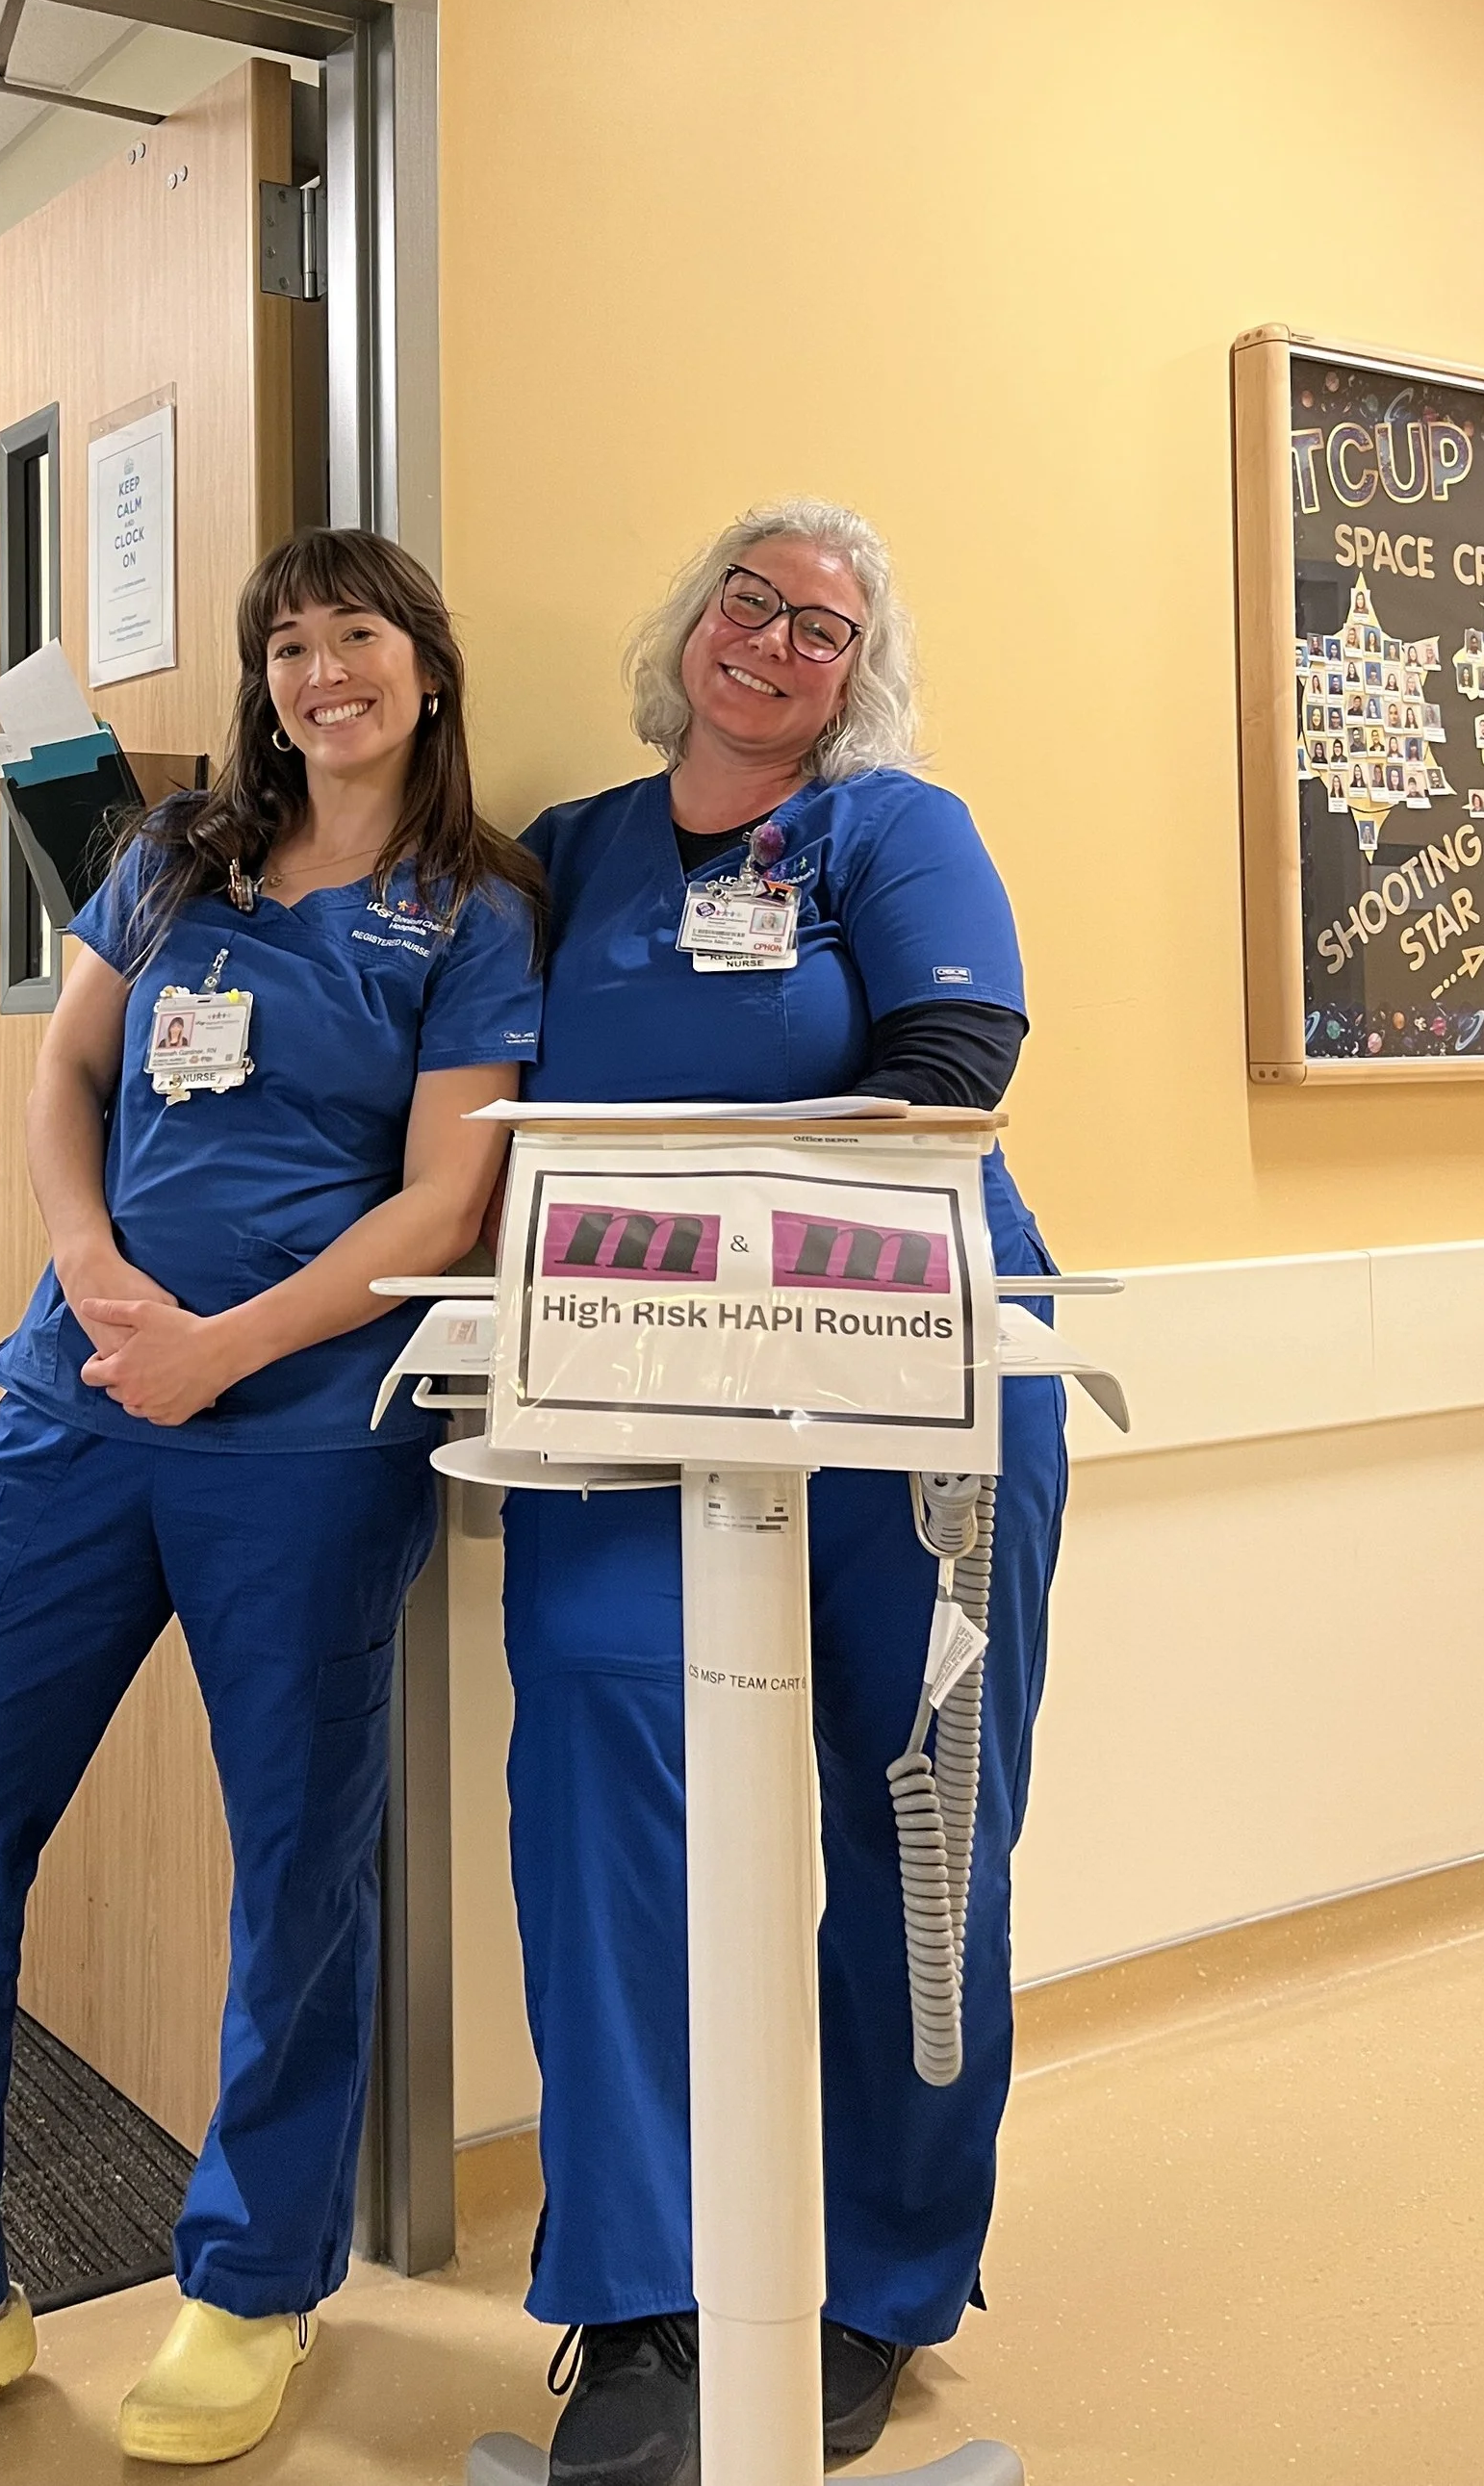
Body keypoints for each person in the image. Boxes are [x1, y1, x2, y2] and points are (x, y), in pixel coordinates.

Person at [0, 529, 543, 2476]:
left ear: (426, 665)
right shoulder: (170, 851)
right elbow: (63, 1079)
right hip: (77, 1409)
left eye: (356, 637)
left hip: (307, 1434)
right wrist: (88, 1276)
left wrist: (224, 1344)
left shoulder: (472, 905)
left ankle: (250, 2286)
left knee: (295, 1872)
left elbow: (447, 1201)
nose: (319, 671)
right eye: (288, 643)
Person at [505, 500, 1066, 2486]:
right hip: (621, 1378)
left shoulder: (883, 826)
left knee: (918, 1827)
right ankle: (645, 2301)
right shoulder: (563, 853)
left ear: (854, 672)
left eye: (818, 626)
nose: (770, 640)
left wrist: (731, 1199)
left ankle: (879, 2284)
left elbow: (947, 1056)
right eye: (745, 600)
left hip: (906, 1371)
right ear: (686, 624)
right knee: (595, 1778)